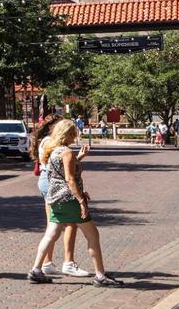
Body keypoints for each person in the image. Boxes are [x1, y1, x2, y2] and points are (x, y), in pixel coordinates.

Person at [27, 119, 121, 286]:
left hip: (55, 198)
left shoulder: (53, 151)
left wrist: (79, 159)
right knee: (92, 234)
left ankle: (36, 269)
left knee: (51, 234)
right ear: (68, 134)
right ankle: (100, 275)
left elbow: (57, 175)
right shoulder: (66, 152)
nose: (75, 137)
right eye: (74, 133)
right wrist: (81, 200)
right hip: (69, 200)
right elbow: (70, 179)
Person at [28, 115, 90, 279]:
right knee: (70, 223)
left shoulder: (46, 142)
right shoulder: (53, 143)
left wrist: (78, 158)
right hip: (54, 182)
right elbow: (62, 170)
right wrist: (80, 198)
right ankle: (68, 263)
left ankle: (45, 264)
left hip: (46, 180)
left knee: (53, 224)